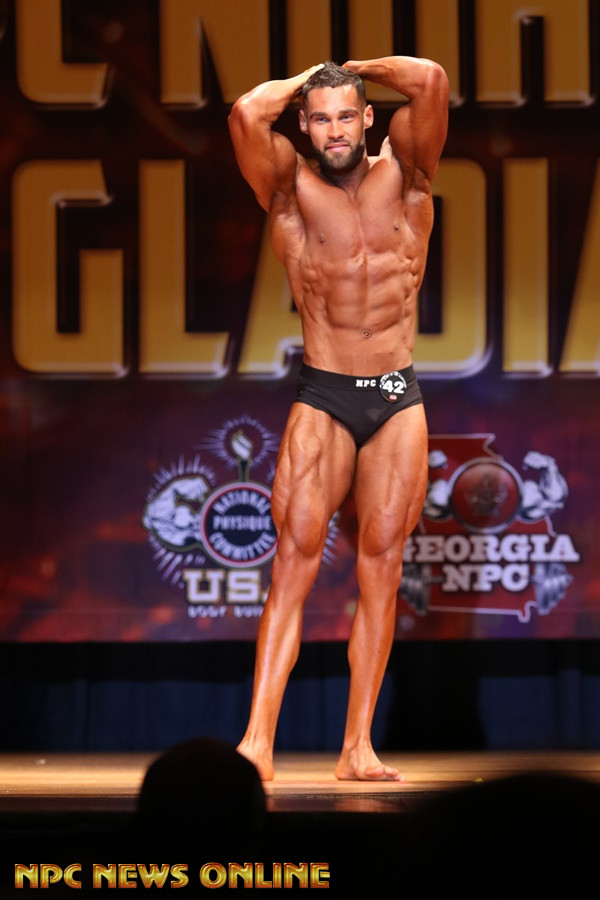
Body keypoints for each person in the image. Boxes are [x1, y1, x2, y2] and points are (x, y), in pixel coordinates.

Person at [228, 56, 449, 781]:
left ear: (368, 118)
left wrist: (354, 68)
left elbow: (431, 80)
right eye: (319, 119)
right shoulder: (288, 189)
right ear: (304, 123)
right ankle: (258, 742)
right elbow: (244, 114)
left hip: (396, 399)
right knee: (292, 566)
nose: (334, 131)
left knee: (381, 570)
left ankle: (357, 747)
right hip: (324, 394)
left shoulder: (409, 175)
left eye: (346, 115)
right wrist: (309, 79)